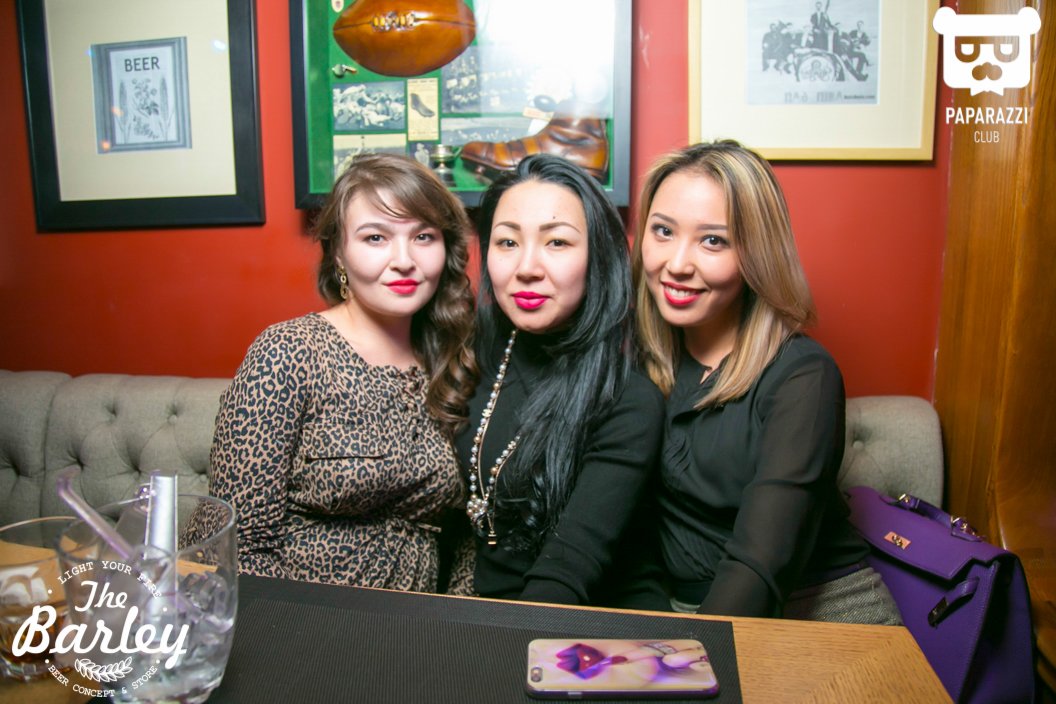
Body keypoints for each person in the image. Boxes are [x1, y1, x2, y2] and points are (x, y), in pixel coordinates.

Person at [632, 140, 901, 624]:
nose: (677, 263)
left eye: (713, 241)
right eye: (664, 231)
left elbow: (761, 565)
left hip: (819, 613)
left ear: (756, 253)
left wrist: (687, 654)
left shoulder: (803, 376)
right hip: (690, 615)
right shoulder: (638, 358)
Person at [206, 153, 477, 592]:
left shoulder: (451, 359)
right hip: (302, 614)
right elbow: (240, 543)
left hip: (420, 622)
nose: (404, 260)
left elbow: (466, 531)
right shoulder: (289, 353)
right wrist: (303, 626)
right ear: (338, 253)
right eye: (376, 238)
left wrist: (459, 613)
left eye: (423, 236)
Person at [452, 153, 666, 608]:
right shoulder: (475, 345)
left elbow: (567, 572)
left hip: (588, 626)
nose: (527, 267)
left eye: (557, 242)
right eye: (507, 242)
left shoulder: (626, 399)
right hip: (486, 609)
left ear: (597, 257)